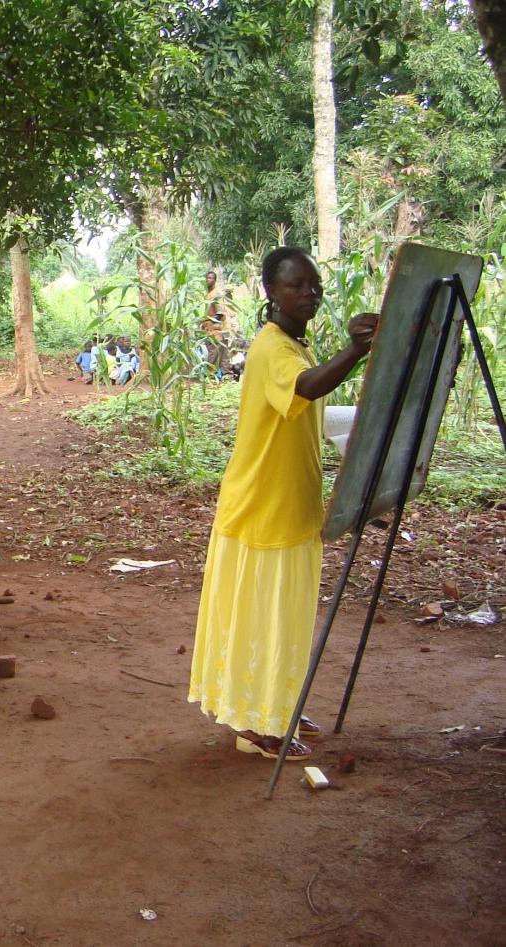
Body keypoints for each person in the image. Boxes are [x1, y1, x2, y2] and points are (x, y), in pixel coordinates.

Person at [189, 246, 378, 761]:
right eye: (297, 285)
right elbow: (306, 388)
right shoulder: (272, 348)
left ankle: (274, 708)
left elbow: (311, 407)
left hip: (289, 508)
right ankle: (256, 727)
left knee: (284, 620)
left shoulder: (295, 346)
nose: (309, 293)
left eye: (314, 285)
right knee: (263, 620)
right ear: (271, 292)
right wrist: (355, 351)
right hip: (262, 510)